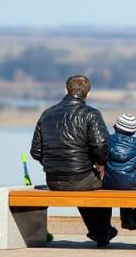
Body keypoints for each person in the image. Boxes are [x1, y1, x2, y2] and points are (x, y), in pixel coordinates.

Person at [30, 74, 116, 247]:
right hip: (81, 178)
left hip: (53, 179)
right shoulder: (91, 114)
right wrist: (100, 164)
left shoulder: (47, 114)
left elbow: (35, 152)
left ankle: (100, 231)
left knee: (84, 181)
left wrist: (54, 164)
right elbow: (101, 147)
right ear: (88, 94)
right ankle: (102, 231)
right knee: (100, 182)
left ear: (66, 90)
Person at [103, 113, 136, 230]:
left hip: (107, 182)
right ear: (133, 131)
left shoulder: (107, 142)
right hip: (130, 182)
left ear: (115, 127)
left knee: (122, 184)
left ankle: (126, 220)